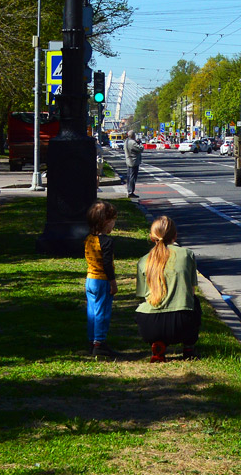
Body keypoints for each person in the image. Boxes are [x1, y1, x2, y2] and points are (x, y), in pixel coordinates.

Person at [136, 215, 202, 362]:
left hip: (150, 325)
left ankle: (158, 344)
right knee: (195, 302)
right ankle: (188, 347)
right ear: (175, 236)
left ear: (152, 238)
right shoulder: (186, 255)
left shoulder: (143, 261)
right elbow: (191, 291)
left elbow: (143, 295)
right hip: (182, 322)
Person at [85, 200, 118, 359]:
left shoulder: (88, 239)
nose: (113, 225)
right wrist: (113, 282)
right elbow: (107, 264)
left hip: (90, 279)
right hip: (102, 281)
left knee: (92, 311)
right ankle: (100, 343)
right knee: (102, 312)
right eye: (113, 222)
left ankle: (92, 341)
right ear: (105, 222)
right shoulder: (107, 242)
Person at [124, 134, 145, 198]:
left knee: (129, 177)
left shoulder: (126, 142)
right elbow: (140, 149)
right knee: (133, 177)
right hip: (133, 161)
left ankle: (129, 190)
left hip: (128, 161)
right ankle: (131, 192)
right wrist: (140, 143)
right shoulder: (132, 143)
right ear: (133, 136)